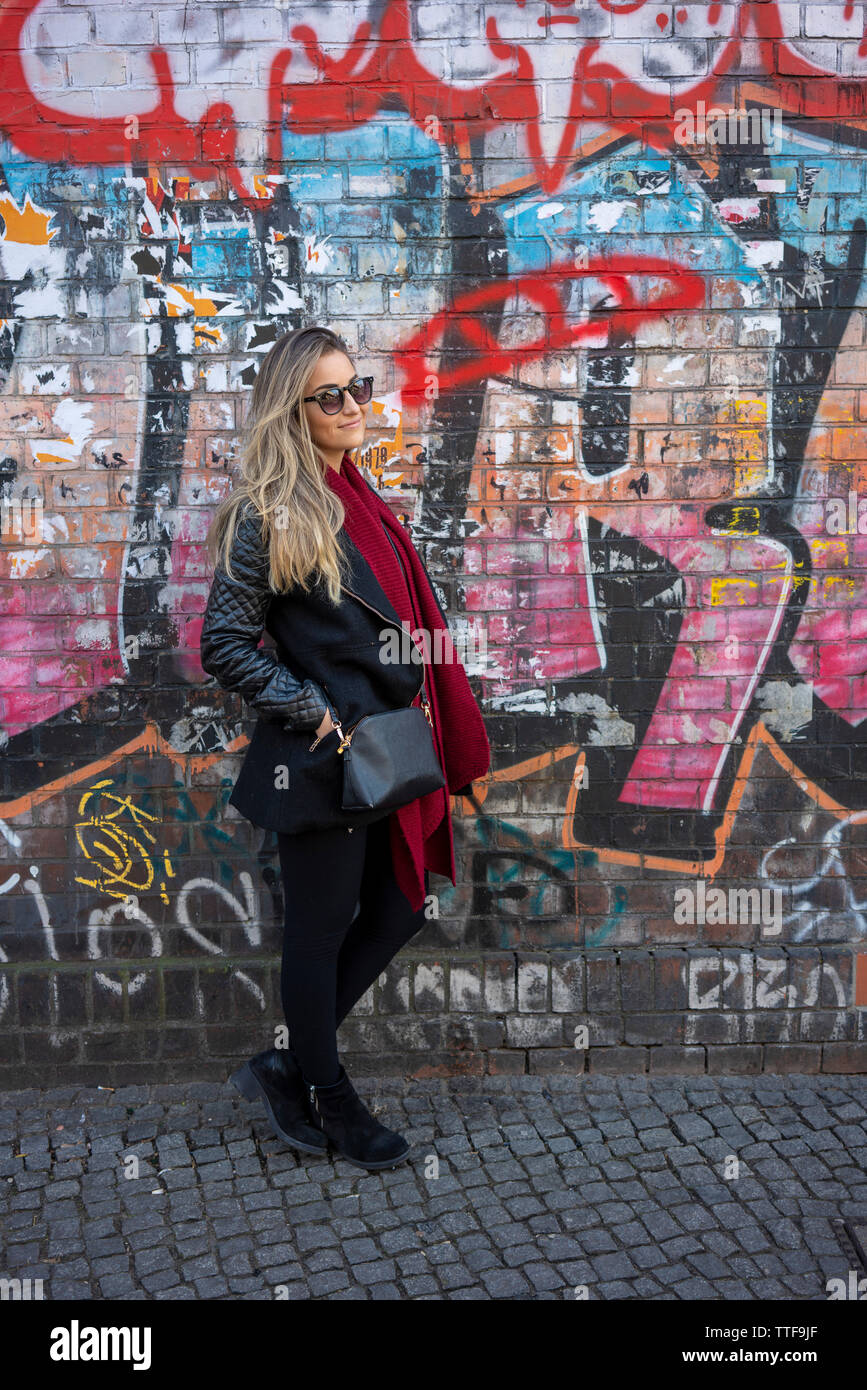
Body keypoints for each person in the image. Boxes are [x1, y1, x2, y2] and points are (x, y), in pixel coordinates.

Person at [199, 325, 490, 1171]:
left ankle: (290, 1067)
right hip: (320, 758)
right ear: (292, 411)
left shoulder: (356, 494)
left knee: (399, 908)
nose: (351, 405)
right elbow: (223, 643)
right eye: (329, 395)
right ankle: (329, 1098)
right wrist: (310, 707)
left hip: (387, 744)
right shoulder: (268, 512)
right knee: (319, 932)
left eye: (355, 386)